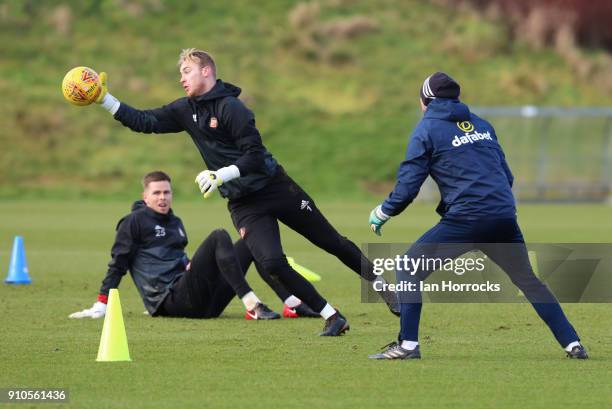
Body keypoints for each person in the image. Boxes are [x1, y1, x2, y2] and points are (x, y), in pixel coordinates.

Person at [87, 48, 401, 335]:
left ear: (206, 71)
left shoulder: (232, 108)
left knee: (330, 241)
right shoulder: (184, 110)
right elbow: (145, 121)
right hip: (244, 204)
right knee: (273, 263)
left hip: (276, 187)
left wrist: (220, 174)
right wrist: (105, 99)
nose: (181, 78)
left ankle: (380, 284)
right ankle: (333, 316)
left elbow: (254, 153)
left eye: (186, 71)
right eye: (180, 73)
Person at [367, 72, 588, 359]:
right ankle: (573, 344)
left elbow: (409, 187)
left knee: (409, 268)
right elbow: (506, 176)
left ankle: (408, 346)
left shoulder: (427, 130)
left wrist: (384, 212)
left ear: (426, 101)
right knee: (528, 281)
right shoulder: (482, 124)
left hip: (466, 220)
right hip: (503, 217)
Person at [69, 171, 318, 321]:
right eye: (156, 193)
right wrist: (102, 303)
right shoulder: (133, 221)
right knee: (219, 235)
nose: (162, 197)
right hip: (169, 302)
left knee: (250, 242)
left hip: (202, 304)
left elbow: (180, 259)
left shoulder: (175, 222)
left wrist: (190, 265)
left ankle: (292, 304)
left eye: (167, 192)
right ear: (145, 197)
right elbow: (118, 263)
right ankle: (252, 305)